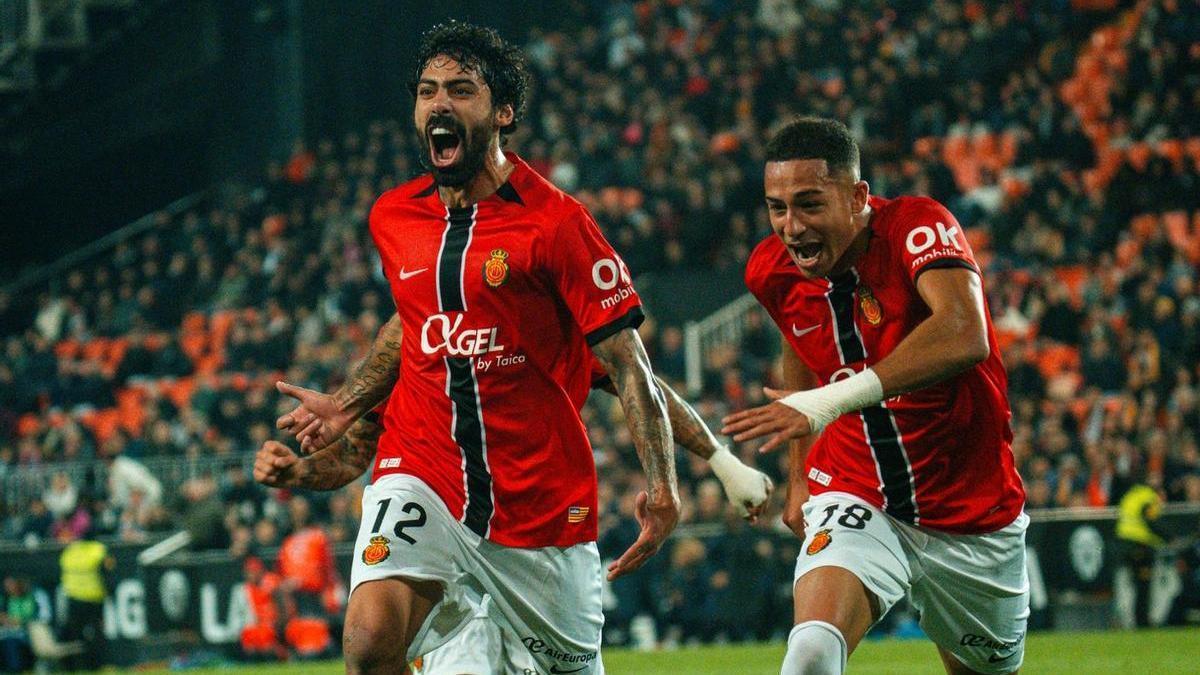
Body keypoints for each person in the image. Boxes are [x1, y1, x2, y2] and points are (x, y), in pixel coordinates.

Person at [269, 21, 680, 674]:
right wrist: (347, 403)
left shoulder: (557, 224)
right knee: (371, 642)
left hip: (538, 504)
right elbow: (413, 322)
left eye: (461, 89)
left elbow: (629, 366)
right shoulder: (394, 218)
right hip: (425, 473)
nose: (440, 103)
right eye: (428, 90)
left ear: (503, 111)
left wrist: (663, 485)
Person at [721, 117, 1027, 675]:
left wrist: (832, 401)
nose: (791, 227)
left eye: (810, 204)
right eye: (777, 207)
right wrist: (798, 477)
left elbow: (964, 331)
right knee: (811, 652)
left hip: (971, 508)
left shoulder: (917, 226)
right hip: (857, 490)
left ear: (858, 195)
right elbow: (800, 342)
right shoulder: (771, 270)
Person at [256, 362, 774, 672]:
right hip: (429, 498)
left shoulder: (547, 309)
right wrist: (298, 473)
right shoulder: (417, 325)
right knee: (368, 644)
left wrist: (722, 462)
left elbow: (640, 381)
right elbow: (354, 453)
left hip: (538, 523)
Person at [1115, 476, 1169, 628]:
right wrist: (1168, 537)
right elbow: (1150, 520)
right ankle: (1142, 621)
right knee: (1144, 585)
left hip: (1125, 544)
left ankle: (1135, 620)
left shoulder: (1131, 495)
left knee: (1134, 585)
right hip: (1140, 546)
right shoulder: (1148, 497)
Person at [58, 527, 115, 671]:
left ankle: (75, 665)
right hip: (94, 597)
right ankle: (96, 665)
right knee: (97, 632)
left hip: (73, 597)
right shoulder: (99, 549)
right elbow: (110, 567)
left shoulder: (70, 550)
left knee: (75, 634)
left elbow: (62, 566)